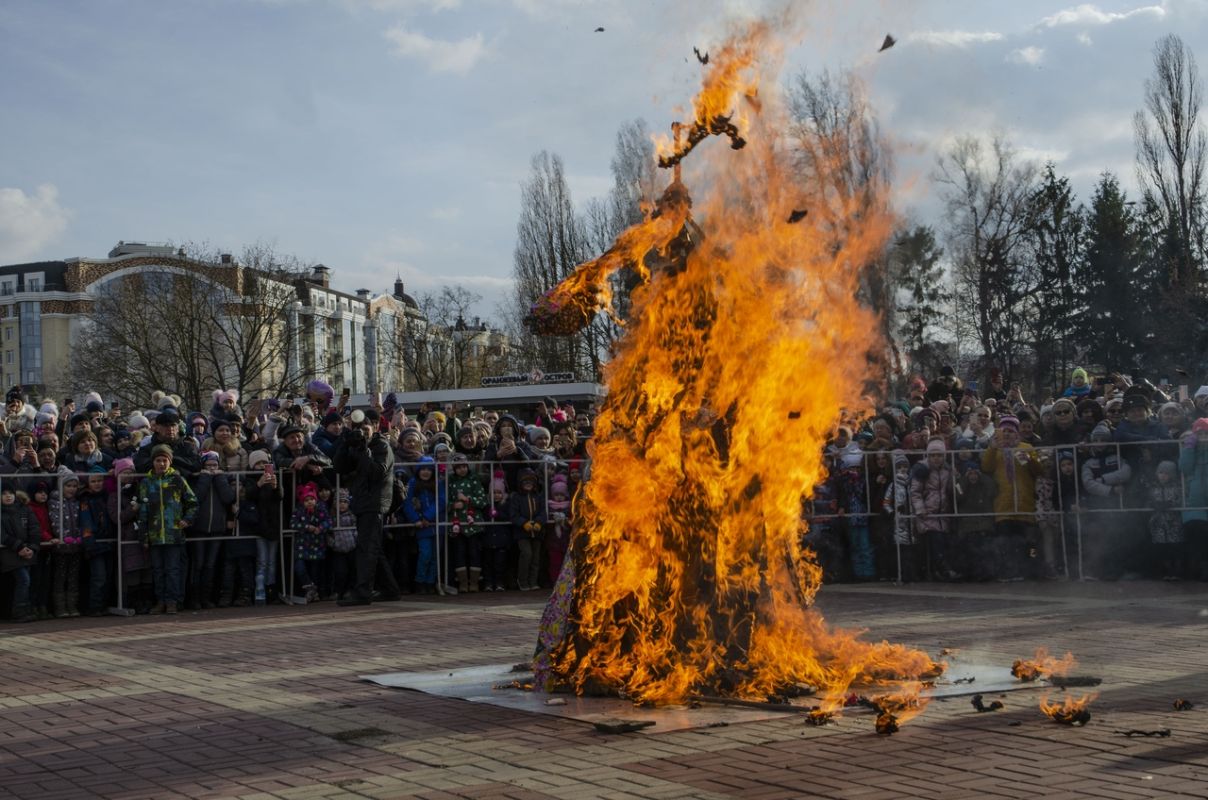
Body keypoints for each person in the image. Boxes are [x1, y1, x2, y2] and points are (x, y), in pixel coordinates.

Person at [335, 409, 401, 606]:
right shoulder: (357, 445)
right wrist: (345, 444)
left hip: (375, 502)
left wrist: (363, 450)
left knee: (367, 548)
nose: (361, 433)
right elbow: (339, 467)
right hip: (363, 502)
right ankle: (390, 589)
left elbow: (376, 473)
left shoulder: (381, 445)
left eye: (364, 429)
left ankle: (363, 592)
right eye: (357, 429)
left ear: (374, 427)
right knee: (373, 548)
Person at [138, 444, 198, 614]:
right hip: (155, 534)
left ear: (170, 462)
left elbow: (192, 502)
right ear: (153, 462)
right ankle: (160, 600)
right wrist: (143, 535)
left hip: (174, 534)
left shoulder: (178, 480)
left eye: (165, 460)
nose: (161, 464)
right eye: (158, 460)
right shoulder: (146, 482)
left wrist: (187, 520)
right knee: (157, 570)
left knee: (173, 569)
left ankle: (173, 600)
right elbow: (143, 510)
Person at [188, 452, 236, 609]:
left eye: (214, 466)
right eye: (208, 466)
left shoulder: (223, 479)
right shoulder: (198, 479)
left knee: (210, 564)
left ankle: (206, 597)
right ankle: (194, 599)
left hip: (217, 528)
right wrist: (205, 478)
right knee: (199, 564)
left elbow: (228, 498)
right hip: (199, 529)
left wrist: (219, 478)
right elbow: (196, 498)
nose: (211, 469)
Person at [447, 454, 487, 593]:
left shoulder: (474, 480)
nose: (462, 470)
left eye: (464, 466)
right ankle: (463, 583)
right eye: (458, 467)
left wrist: (467, 500)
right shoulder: (450, 482)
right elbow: (444, 502)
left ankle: (474, 582)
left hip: (473, 524)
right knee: (459, 553)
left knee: (474, 552)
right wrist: (452, 506)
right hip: (457, 525)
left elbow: (483, 501)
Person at [1, 484, 39, 621]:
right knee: (24, 580)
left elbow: (34, 528)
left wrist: (32, 548)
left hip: (27, 551)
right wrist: (19, 547)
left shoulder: (24, 509)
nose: (8, 496)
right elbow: (2, 535)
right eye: (4, 493)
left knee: (27, 581)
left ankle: (25, 609)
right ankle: (19, 612)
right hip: (8, 553)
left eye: (10, 493)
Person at [289, 482, 331, 603]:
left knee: (315, 571)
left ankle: (314, 594)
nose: (309, 502)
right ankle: (310, 587)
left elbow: (328, 521)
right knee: (299, 567)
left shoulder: (321, 508)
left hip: (317, 545)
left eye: (311, 499)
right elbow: (292, 523)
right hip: (302, 545)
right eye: (306, 500)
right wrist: (307, 527)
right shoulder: (299, 510)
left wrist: (320, 528)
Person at [510, 467, 546, 591]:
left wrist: (539, 523)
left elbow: (543, 512)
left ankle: (533, 581)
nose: (528, 484)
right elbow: (513, 515)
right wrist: (523, 523)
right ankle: (523, 581)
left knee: (536, 558)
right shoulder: (516, 497)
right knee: (527, 554)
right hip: (522, 532)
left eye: (530, 481)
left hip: (537, 532)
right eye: (525, 481)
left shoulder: (538, 497)